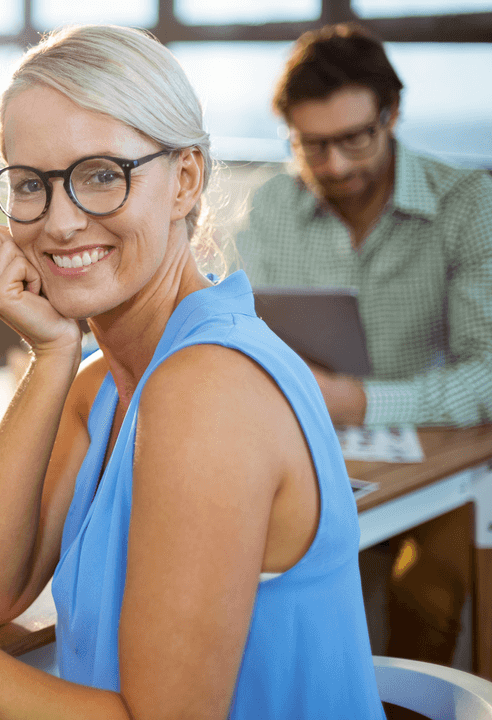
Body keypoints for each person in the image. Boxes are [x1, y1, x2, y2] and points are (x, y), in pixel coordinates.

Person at [0, 25, 385, 718]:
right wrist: (52, 354)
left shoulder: (208, 388)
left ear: (185, 179)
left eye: (102, 175)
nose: (60, 222)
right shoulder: (106, 384)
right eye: (32, 184)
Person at [236, 22, 492, 665]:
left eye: (354, 138)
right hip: (302, 446)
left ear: (393, 114)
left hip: (438, 457)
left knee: (429, 589)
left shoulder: (467, 206)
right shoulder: (269, 207)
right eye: (311, 145)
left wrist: (358, 402)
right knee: (254, 576)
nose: (335, 165)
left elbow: (487, 375)